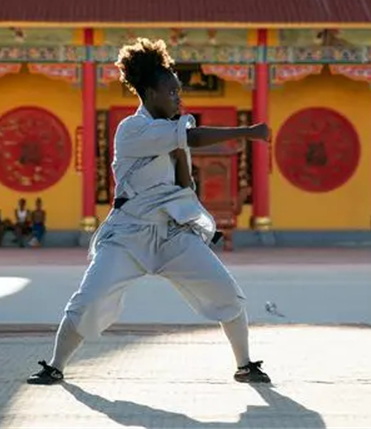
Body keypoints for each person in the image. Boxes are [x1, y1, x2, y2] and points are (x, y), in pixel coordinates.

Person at [27, 38, 272, 385]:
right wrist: (247, 131)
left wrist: (179, 156)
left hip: (173, 234)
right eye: (171, 92)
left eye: (179, 91)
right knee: (89, 300)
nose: (178, 97)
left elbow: (185, 186)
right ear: (148, 93)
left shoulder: (174, 135)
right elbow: (197, 136)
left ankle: (245, 365)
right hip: (128, 234)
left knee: (226, 292)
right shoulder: (133, 129)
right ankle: (55, 366)